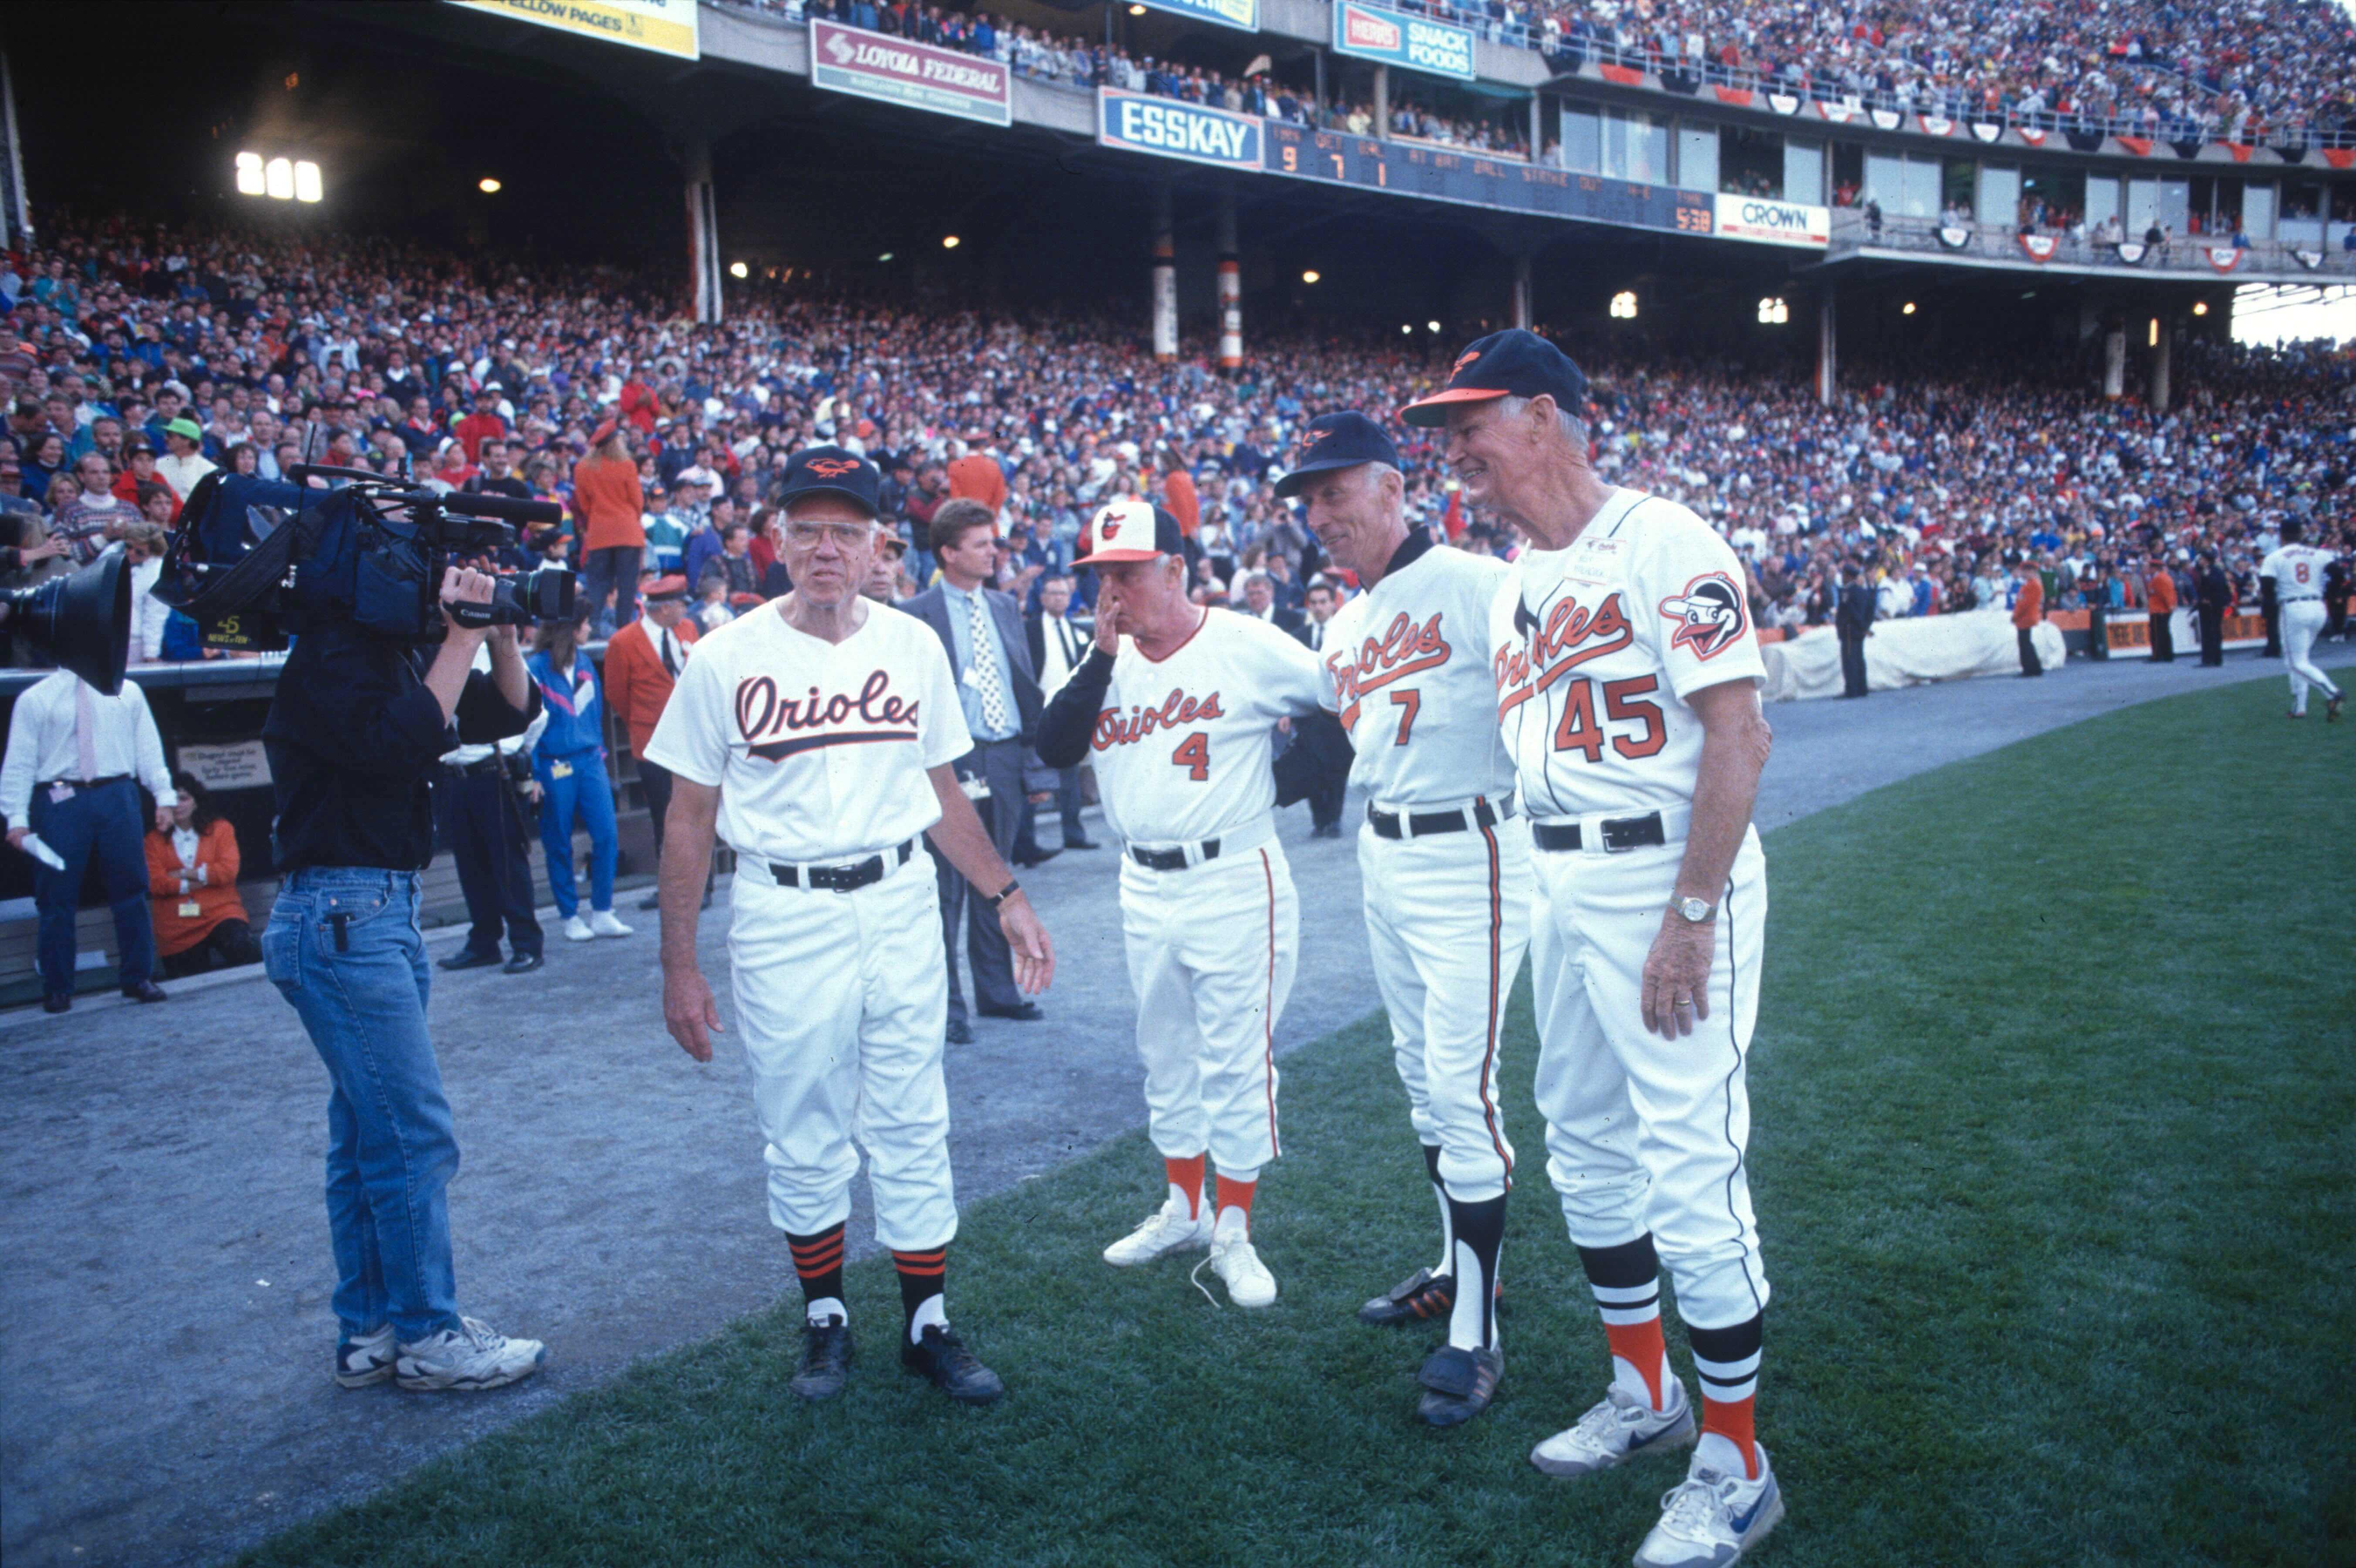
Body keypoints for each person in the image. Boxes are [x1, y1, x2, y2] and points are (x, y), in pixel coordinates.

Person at [1412, 330, 1782, 1568]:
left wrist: (1691, 914)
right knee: (1581, 1137)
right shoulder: (1520, 577)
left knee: (1690, 1158)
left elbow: (1739, 735)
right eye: (1450, 427)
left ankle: (1737, 1464)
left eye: (1474, 421)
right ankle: (1648, 1392)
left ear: (1548, 417)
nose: (1456, 448)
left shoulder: (1663, 537)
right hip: (1562, 871)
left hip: (1663, 873)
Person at [644, 444, 1053, 1407]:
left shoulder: (911, 646)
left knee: (913, 1115)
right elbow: (688, 818)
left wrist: (1006, 896)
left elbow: (941, 793)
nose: (825, 546)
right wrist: (677, 968)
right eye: (806, 528)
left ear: (877, 545)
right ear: (775, 540)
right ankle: (824, 1316)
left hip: (901, 898)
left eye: (845, 530)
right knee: (800, 1121)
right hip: (782, 909)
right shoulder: (726, 656)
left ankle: (927, 1321)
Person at [1279, 412, 1531, 1426]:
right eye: (1308, 499)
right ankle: (1455, 1268)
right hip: (1385, 853)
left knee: (1463, 1093)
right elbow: (1341, 751)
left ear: (1391, 486)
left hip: (1472, 844)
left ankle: (1475, 1333)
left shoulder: (1479, 585)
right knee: (1422, 1084)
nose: (1318, 515)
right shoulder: (1341, 626)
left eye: (1334, 491)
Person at [1035, 498, 1331, 1312]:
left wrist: (1285, 787)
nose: (1112, 593)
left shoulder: (1242, 641)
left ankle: (1234, 1230)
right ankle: (1182, 1208)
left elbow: (1338, 702)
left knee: (1236, 1058)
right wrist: (1099, 659)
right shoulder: (1101, 659)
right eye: (1099, 577)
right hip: (1143, 880)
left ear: (1175, 568)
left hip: (1234, 875)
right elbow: (1052, 746)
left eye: (1126, 574)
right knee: (1164, 1051)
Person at [260, 567, 547, 1392]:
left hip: (368, 911)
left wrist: (496, 637)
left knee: (364, 1135)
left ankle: (370, 1330)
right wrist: (459, 634)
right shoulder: (330, 655)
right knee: (414, 1135)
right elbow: (404, 739)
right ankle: (427, 1335)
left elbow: (505, 714)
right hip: (344, 912)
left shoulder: (382, 656)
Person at [903, 498, 1048, 1045]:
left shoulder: (1006, 608)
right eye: (982, 544)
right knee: (945, 889)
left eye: (994, 542)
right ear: (948, 552)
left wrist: (1034, 770)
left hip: (1005, 754)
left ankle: (998, 993)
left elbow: (1024, 687)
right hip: (950, 760)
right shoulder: (916, 614)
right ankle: (947, 1008)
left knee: (999, 877)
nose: (994, 552)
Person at [0, 669, 176, 1011]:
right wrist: (17, 820)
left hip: (118, 793)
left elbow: (148, 747)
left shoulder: (128, 691)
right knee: (56, 895)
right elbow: (19, 764)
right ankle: (57, 987)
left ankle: (138, 977)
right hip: (59, 798)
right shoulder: (36, 698)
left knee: (132, 888)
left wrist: (164, 796)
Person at [432, 629, 551, 975]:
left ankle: (526, 943)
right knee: (470, 864)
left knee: (508, 863)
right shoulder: (442, 653)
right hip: (455, 774)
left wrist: (516, 753)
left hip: (492, 771)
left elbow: (537, 713)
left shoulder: (490, 654)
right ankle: (484, 942)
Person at [526, 612, 631, 943]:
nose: (588, 628)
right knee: (558, 840)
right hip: (552, 763)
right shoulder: (536, 667)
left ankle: (602, 910)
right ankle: (569, 915)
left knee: (606, 835)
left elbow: (596, 713)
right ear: (568, 628)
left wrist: (599, 754)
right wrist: (534, 773)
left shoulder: (585, 663)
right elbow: (527, 724)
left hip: (589, 761)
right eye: (584, 623)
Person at [602, 575, 705, 909]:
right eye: (680, 606)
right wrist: (647, 723)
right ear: (662, 610)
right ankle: (672, 891)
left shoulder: (687, 630)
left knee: (699, 811)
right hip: (653, 743)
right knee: (665, 816)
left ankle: (703, 888)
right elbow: (618, 694)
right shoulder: (624, 641)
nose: (685, 612)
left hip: (693, 738)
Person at [145, 770, 262, 979]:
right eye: (172, 800)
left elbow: (228, 872)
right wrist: (193, 883)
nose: (178, 805)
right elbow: (154, 883)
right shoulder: (153, 841)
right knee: (188, 985)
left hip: (220, 912)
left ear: (196, 801)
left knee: (244, 949)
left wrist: (182, 873)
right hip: (177, 924)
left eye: (184, 798)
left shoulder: (221, 829)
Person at [1023, 573, 1097, 852]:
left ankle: (1074, 834)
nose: (1058, 598)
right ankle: (1027, 841)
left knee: (1070, 778)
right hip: (1038, 712)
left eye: (1064, 594)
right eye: (1053, 593)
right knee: (1035, 779)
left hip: (1067, 713)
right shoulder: (1030, 630)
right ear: (1042, 598)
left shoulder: (1076, 629)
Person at [2260, 518, 2344, 720]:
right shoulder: (2319, 553)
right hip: (2318, 606)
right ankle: (2299, 707)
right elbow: (2340, 574)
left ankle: (2333, 693)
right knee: (2301, 660)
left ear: (2281, 535)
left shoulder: (2275, 556)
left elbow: (2266, 587)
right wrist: (2331, 593)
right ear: (2301, 534)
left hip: (2294, 607)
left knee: (2296, 662)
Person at [572, 422, 645, 633]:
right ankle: (625, 631)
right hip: (628, 533)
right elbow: (637, 501)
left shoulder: (582, 468)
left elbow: (584, 505)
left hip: (600, 534)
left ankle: (590, 627)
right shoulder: (627, 465)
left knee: (598, 585)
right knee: (627, 586)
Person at [1835, 561, 1873, 696]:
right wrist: (1865, 627)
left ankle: (1852, 689)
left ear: (1848, 576)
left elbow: (1849, 612)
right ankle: (1862, 688)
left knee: (1850, 660)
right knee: (1859, 658)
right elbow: (1870, 611)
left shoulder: (1847, 592)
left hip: (1850, 630)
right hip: (1859, 630)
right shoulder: (1863, 592)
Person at [2195, 549, 2231, 667]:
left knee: (2209, 632)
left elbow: (2212, 587)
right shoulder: (2219, 571)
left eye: (2201, 559)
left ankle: (2209, 658)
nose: (2200, 561)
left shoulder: (2209, 572)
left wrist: (2207, 598)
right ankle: (2216, 657)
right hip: (2217, 605)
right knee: (2215, 631)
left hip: (2210, 605)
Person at [2012, 557, 2045, 676]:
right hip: (2025, 617)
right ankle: (2035, 667)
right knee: (2027, 643)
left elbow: (2025, 603)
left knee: (2025, 643)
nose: (2024, 573)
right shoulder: (2030, 584)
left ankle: (2030, 668)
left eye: (2026, 571)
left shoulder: (2033, 585)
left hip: (2026, 617)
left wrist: (2016, 616)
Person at [2146, 554, 2177, 662]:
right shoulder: (2165, 577)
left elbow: (2165, 595)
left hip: (2158, 609)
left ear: (2154, 568)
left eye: (2150, 567)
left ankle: (2157, 655)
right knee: (2164, 632)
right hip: (2164, 609)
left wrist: (2169, 606)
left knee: (2157, 634)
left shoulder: (2158, 579)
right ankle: (2167, 655)